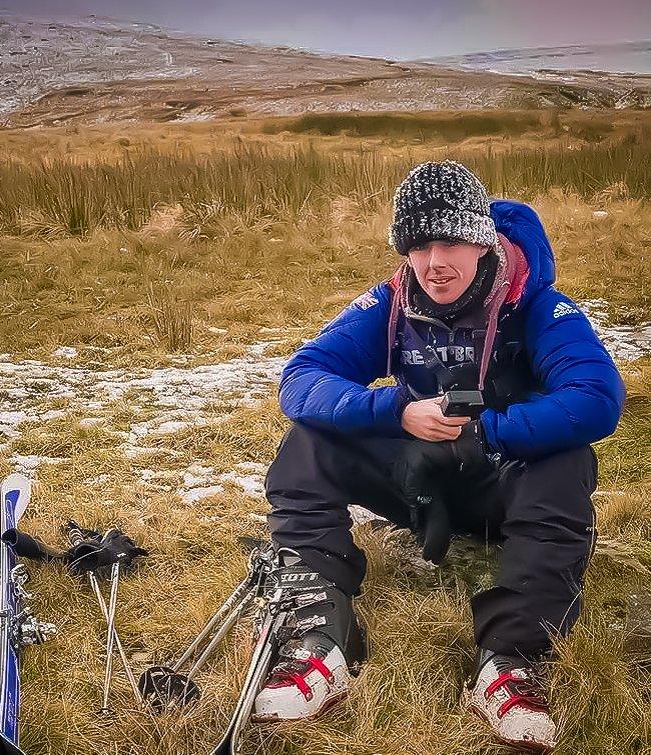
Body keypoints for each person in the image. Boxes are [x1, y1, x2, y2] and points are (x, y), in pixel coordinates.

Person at [252, 161, 626, 752]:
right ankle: (319, 637)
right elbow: (301, 378)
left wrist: (489, 433)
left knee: (567, 459)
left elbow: (597, 398)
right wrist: (393, 413)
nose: (435, 263)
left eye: (451, 240)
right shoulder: (393, 302)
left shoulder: (534, 301)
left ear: (481, 241)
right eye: (419, 245)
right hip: (415, 479)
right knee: (307, 444)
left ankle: (510, 662)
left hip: (501, 486)